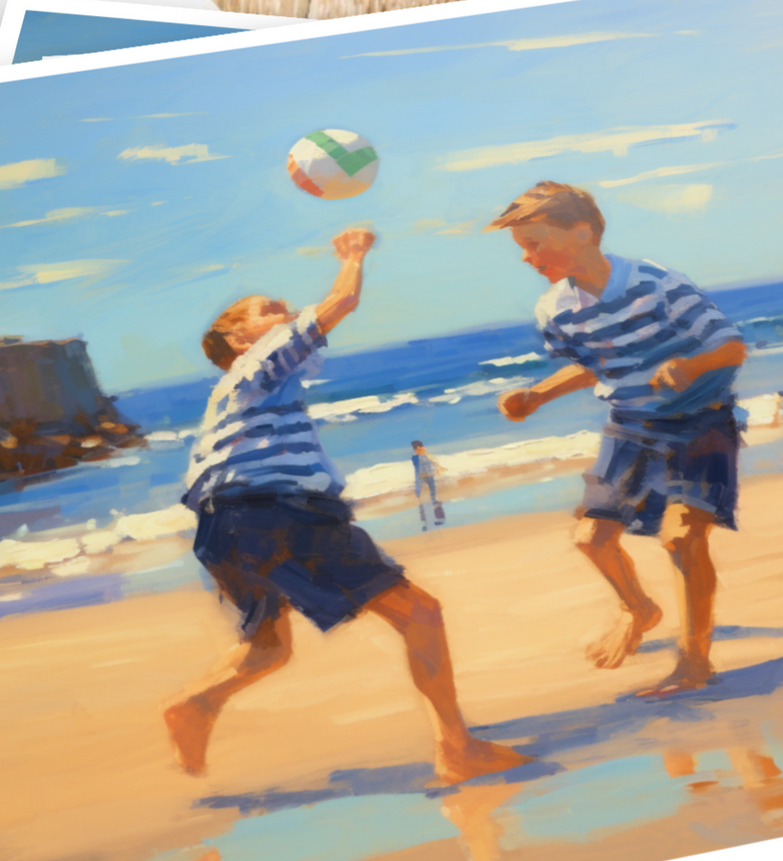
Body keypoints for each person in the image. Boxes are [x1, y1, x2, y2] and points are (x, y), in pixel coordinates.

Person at [163, 231, 525, 784]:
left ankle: (195, 703)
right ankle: (456, 748)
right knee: (419, 614)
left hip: (222, 525)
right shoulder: (259, 361)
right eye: (268, 310)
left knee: (267, 649)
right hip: (277, 512)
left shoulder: (241, 389)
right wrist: (352, 254)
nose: (285, 312)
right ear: (238, 339)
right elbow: (339, 305)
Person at [490, 181, 745, 697]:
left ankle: (694, 661)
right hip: (630, 424)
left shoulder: (656, 283)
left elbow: (732, 347)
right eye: (523, 249)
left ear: (582, 232)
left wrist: (691, 364)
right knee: (591, 539)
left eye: (535, 244)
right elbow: (591, 368)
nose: (527, 258)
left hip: (700, 421)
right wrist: (536, 395)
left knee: (682, 538)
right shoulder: (555, 311)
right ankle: (638, 607)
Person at [410, 439, 446, 527]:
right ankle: (426, 520)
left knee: (433, 497)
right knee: (424, 499)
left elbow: (431, 463)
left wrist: (439, 467)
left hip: (428, 477)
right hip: (424, 478)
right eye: (422, 447)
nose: (424, 449)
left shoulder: (424, 456)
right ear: (418, 448)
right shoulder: (417, 458)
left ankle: (436, 518)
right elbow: (419, 470)